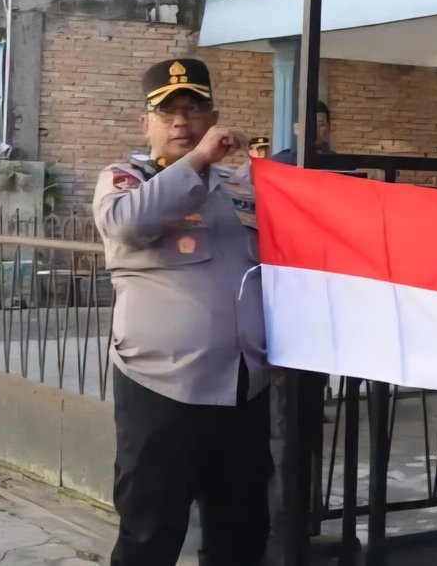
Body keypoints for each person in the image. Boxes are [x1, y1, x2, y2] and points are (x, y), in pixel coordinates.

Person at [93, 57, 269, 566]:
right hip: (162, 386)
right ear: (144, 122)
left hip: (243, 387)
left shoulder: (240, 187)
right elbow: (128, 227)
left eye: (193, 110)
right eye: (167, 111)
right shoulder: (125, 180)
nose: (180, 122)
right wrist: (196, 163)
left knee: (241, 533)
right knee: (150, 532)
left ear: (212, 118)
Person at [270, 100, 332, 165]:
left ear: (328, 128)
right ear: (296, 128)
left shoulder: (336, 162)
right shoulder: (279, 162)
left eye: (320, 124)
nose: (314, 128)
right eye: (308, 124)